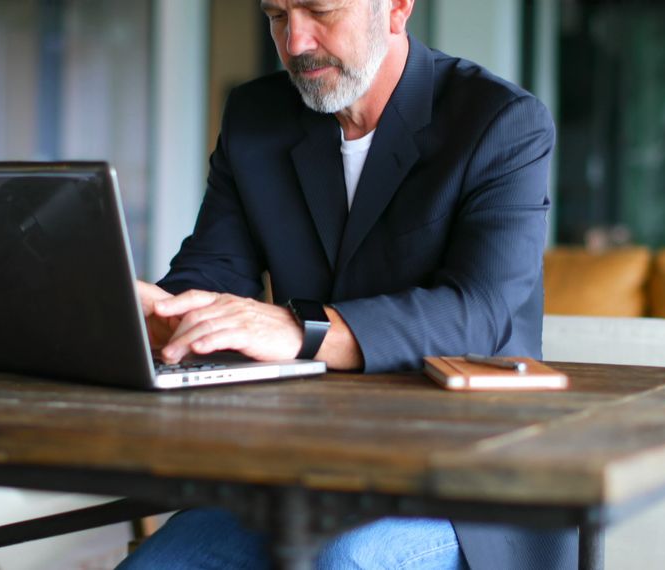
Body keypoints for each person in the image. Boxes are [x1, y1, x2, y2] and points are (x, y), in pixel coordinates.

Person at [120, 0, 575, 568]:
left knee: (346, 561)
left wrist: (299, 329)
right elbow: (212, 268)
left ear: (398, 8)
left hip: (466, 477)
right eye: (277, 15)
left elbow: (479, 313)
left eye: (320, 11)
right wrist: (163, 309)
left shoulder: (499, 120)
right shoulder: (256, 115)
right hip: (300, 469)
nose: (295, 42)